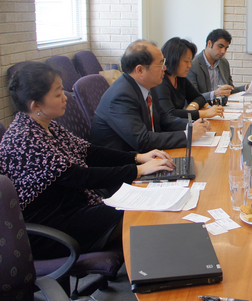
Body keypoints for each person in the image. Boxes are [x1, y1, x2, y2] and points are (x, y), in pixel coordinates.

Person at [0, 63, 175, 259]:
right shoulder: (25, 140)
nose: (65, 97)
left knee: (145, 205)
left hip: (72, 206)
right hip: (53, 226)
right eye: (58, 94)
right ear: (35, 106)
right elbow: (80, 177)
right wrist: (138, 170)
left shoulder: (44, 125)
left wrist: (137, 157)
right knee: (141, 213)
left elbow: (89, 152)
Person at [90, 40, 210, 152]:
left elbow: (163, 119)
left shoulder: (147, 86)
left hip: (146, 155)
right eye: (160, 64)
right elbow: (142, 140)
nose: (165, 68)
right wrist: (188, 135)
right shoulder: (122, 96)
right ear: (140, 70)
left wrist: (191, 125)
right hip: (123, 162)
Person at [156, 37, 224, 119]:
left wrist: (193, 106)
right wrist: (204, 113)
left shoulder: (180, 78)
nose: (189, 65)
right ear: (173, 60)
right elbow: (170, 113)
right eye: (186, 61)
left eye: (190, 61)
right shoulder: (161, 81)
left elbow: (200, 97)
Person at [187, 28, 252, 100]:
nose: (223, 51)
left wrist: (246, 87)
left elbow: (230, 89)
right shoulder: (192, 64)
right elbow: (192, 97)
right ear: (209, 43)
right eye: (220, 47)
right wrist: (214, 94)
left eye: (226, 48)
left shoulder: (224, 63)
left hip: (223, 104)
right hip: (204, 106)